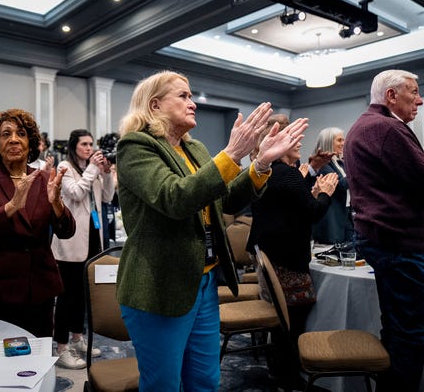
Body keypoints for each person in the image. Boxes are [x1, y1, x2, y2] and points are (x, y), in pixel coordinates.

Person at [114, 70, 308, 391]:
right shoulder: (136, 146)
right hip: (160, 285)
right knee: (163, 384)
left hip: (204, 281)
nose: (193, 104)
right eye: (184, 96)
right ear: (155, 105)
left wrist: (260, 165)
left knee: (205, 379)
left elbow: (228, 199)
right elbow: (174, 198)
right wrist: (232, 154)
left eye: (191, 96)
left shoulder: (196, 149)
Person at [344, 69, 424, 391]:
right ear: (391, 96)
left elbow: (414, 176)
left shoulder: (369, 126)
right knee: (409, 336)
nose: (420, 99)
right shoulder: (386, 128)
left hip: (383, 239)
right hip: (396, 244)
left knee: (397, 329)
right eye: (414, 92)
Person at [0, 109, 75, 338]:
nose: (13, 139)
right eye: (5, 134)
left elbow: (67, 231)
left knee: (37, 360)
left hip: (39, 290)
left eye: (21, 133)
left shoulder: (44, 179)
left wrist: (57, 204)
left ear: (30, 143)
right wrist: (10, 207)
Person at [246, 114, 338, 389]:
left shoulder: (271, 172)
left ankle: (280, 368)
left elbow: (290, 208)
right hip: (287, 257)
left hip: (272, 252)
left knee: (281, 318)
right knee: (293, 319)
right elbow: (311, 212)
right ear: (276, 143)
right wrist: (325, 193)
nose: (300, 144)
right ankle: (290, 373)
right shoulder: (285, 174)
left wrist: (311, 182)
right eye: (293, 140)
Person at [51, 129, 115, 369]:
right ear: (74, 146)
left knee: (82, 295)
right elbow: (76, 193)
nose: (89, 148)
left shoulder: (94, 170)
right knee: (66, 296)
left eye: (91, 144)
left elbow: (108, 197)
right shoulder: (63, 168)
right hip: (70, 242)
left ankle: (78, 339)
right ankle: (61, 347)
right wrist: (93, 169)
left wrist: (106, 173)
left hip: (92, 240)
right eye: (84, 144)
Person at [310, 127, 354, 244]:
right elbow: (341, 185)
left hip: (346, 214)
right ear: (328, 142)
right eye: (339, 140)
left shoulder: (340, 163)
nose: (343, 143)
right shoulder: (323, 166)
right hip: (332, 218)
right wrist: (356, 166)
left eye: (343, 140)